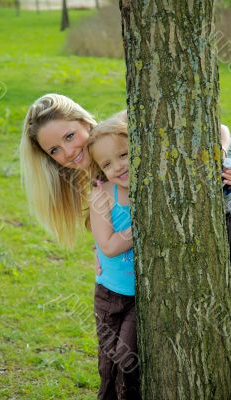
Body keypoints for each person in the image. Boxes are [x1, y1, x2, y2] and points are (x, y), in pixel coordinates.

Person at [20, 93, 231, 247]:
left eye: (69, 136)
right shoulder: (96, 177)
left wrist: (220, 161)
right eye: (55, 150)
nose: (67, 151)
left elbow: (219, 129)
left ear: (85, 122)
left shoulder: (118, 128)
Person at [87, 118, 140, 400]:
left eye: (123, 154)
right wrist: (140, 226)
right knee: (107, 364)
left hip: (138, 298)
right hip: (108, 295)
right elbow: (107, 245)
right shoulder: (103, 195)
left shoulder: (150, 190)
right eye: (107, 164)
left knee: (126, 360)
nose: (118, 166)